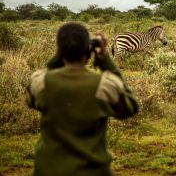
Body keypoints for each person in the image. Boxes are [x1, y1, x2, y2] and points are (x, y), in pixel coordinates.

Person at [26, 22, 139, 176]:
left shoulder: (40, 82)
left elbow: (30, 100)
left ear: (59, 51)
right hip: (93, 171)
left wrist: (58, 56)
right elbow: (131, 107)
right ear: (88, 51)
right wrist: (106, 61)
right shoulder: (104, 84)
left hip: (47, 170)